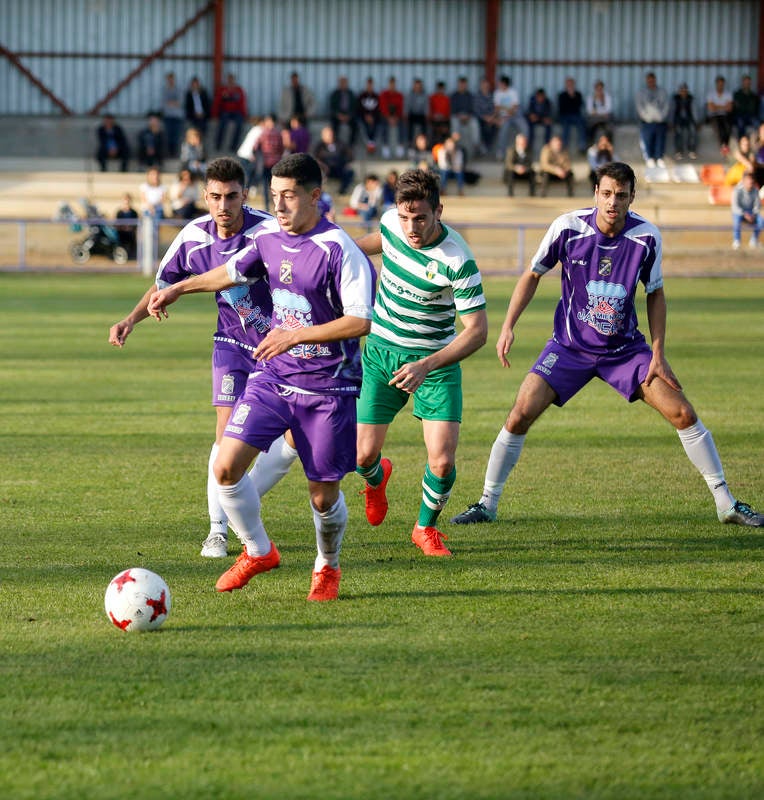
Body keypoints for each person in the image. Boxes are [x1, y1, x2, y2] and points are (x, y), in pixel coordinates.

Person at [450, 161, 764, 530]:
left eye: (621, 195)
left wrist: (658, 353)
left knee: (683, 413)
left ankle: (726, 504)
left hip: (625, 352)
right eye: (607, 193)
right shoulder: (568, 228)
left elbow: (656, 293)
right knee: (520, 413)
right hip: (569, 348)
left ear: (632, 197)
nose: (613, 202)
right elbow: (533, 274)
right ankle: (487, 503)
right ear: (596, 193)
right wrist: (508, 326)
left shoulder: (646, 237)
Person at [146, 153, 377, 601]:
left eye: (289, 196)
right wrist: (176, 288)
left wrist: (296, 335)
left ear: (315, 196)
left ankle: (327, 565)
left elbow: (360, 321)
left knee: (322, 498)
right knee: (226, 466)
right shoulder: (268, 236)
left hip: (328, 386)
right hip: (274, 376)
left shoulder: (339, 249)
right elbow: (228, 272)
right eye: (274, 197)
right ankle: (257, 550)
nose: (280, 207)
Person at [108, 157, 299, 558]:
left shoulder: (270, 230)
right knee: (226, 429)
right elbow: (164, 284)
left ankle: (233, 502)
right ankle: (217, 530)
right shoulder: (193, 236)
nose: (223, 206)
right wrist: (130, 319)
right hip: (231, 345)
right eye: (215, 197)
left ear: (245, 195)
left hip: (280, 347)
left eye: (232, 197)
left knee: (293, 440)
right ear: (205, 197)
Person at [354, 168, 487, 557]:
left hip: (435, 365)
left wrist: (427, 365)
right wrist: (336, 251)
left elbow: (477, 331)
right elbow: (377, 241)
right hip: (381, 354)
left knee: (442, 462)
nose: (411, 227)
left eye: (421, 218)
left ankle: (424, 528)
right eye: (405, 217)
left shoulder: (457, 258)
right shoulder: (391, 225)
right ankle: (376, 481)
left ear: (439, 211)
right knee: (362, 457)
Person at [635, 72, 670, 168]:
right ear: (646, 81)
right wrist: (646, 117)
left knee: (660, 139)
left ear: (655, 80)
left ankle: (659, 158)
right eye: (649, 81)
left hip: (660, 121)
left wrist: (662, 117)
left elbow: (666, 105)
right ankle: (649, 158)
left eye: (652, 80)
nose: (651, 82)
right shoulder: (641, 92)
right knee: (646, 139)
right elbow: (639, 107)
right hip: (647, 121)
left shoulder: (662, 92)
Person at [254, 114, 288, 211]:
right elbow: (282, 149)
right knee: (275, 187)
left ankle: (266, 207)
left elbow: (255, 147)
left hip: (265, 163)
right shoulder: (278, 134)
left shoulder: (263, 133)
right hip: (276, 164)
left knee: (265, 186)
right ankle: (277, 206)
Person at [313, 125, 355, 195]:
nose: (330, 136)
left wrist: (346, 163)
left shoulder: (340, 143)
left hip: (339, 168)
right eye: (327, 135)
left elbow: (350, 155)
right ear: (323, 136)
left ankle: (342, 191)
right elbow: (314, 158)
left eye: (331, 134)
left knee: (350, 172)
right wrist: (323, 165)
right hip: (326, 169)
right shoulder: (319, 146)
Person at [494, 75, 528, 159]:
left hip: (515, 116)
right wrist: (503, 115)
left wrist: (506, 110)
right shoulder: (497, 93)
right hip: (504, 117)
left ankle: (525, 150)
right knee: (502, 131)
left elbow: (515, 107)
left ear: (504, 84)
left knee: (525, 128)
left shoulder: (513, 92)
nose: (499, 85)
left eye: (500, 83)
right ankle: (501, 152)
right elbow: (497, 107)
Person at [212, 73, 247, 152]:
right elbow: (217, 103)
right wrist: (214, 115)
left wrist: (244, 115)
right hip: (225, 112)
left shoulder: (239, 90)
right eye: (229, 80)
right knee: (222, 123)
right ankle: (218, 145)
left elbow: (242, 103)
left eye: (232, 80)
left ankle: (233, 147)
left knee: (239, 124)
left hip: (236, 112)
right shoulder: (222, 90)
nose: (231, 82)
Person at [449, 76, 480, 160]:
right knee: (454, 121)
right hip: (457, 117)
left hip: (468, 117)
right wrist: (460, 116)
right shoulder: (454, 96)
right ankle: (455, 145)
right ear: (458, 85)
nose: (462, 86)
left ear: (466, 85)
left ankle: (476, 146)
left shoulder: (470, 96)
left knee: (474, 122)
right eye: (461, 84)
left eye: (464, 84)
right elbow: (452, 110)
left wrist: (467, 116)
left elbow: (473, 109)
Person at [731, 170, 762, 250]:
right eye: (748, 180)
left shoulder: (755, 191)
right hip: (740, 212)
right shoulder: (737, 190)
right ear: (744, 181)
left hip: (751, 212)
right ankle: (737, 241)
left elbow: (757, 206)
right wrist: (744, 214)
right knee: (736, 220)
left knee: (761, 221)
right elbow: (735, 206)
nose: (750, 182)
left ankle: (754, 240)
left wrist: (754, 215)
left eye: (751, 180)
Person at [558, 76, 587, 154]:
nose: (570, 85)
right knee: (566, 126)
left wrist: (572, 97)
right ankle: (564, 146)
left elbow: (578, 106)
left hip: (576, 115)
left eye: (571, 84)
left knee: (582, 124)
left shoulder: (578, 94)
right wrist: (570, 98)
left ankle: (582, 146)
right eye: (568, 84)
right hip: (565, 116)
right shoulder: (562, 95)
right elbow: (562, 108)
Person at [379, 75, 406, 158]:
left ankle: (400, 146)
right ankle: (385, 147)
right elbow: (383, 107)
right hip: (386, 117)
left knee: (403, 124)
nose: (392, 86)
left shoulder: (399, 95)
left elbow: (400, 108)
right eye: (391, 84)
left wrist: (396, 118)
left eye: (393, 84)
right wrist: (389, 117)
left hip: (396, 117)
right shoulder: (384, 94)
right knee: (383, 125)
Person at [706, 75, 734, 156]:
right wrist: (724, 106)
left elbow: (729, 108)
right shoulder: (711, 93)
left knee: (728, 126)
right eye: (719, 84)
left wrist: (716, 106)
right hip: (713, 115)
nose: (720, 86)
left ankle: (726, 145)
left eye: (722, 84)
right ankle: (722, 145)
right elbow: (711, 108)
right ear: (716, 84)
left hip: (724, 115)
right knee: (718, 127)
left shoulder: (728, 93)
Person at [670, 82, 698, 161]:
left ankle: (692, 150)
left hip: (689, 118)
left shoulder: (691, 98)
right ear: (679, 91)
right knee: (678, 130)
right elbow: (672, 111)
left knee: (692, 129)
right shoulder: (675, 98)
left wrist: (696, 122)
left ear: (687, 90)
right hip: (678, 119)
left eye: (685, 90)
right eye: (681, 90)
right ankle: (679, 151)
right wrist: (671, 122)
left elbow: (694, 111)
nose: (683, 92)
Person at [503, 132, 536, 196]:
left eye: (524, 142)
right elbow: (508, 163)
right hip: (514, 172)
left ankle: (532, 193)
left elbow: (530, 163)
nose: (523, 144)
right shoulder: (511, 150)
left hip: (525, 172)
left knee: (532, 172)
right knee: (510, 172)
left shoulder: (529, 150)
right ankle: (510, 194)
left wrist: (524, 169)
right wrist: (516, 168)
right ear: (517, 143)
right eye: (521, 143)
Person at [329, 75, 358, 146]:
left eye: (344, 82)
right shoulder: (335, 93)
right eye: (341, 82)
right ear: (339, 83)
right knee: (334, 126)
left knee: (355, 126)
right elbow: (332, 106)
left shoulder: (351, 93)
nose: (343, 84)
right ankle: (335, 144)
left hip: (348, 115)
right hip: (338, 115)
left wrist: (349, 116)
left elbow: (355, 106)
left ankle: (351, 145)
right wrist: (338, 115)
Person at [236, 116, 264, 189]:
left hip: (243, 153)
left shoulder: (254, 129)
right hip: (248, 155)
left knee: (246, 175)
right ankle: (244, 191)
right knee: (247, 175)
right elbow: (254, 144)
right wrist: (252, 154)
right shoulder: (259, 130)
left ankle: (244, 191)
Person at [161, 71, 184, 158]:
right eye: (169, 79)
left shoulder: (178, 89)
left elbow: (180, 102)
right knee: (168, 136)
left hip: (177, 117)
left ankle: (175, 154)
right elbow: (164, 103)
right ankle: (170, 154)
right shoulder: (165, 89)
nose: (170, 81)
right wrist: (174, 103)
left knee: (176, 136)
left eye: (172, 79)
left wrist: (171, 103)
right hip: (168, 116)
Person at [474, 77, 498, 155]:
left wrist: (492, 117)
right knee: (482, 127)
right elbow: (476, 110)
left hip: (491, 118)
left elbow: (495, 108)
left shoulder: (492, 96)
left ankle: (489, 147)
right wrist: (485, 118)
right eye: (483, 85)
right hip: (481, 118)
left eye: (486, 86)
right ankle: (483, 147)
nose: (485, 87)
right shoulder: (477, 96)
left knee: (494, 127)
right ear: (481, 86)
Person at [358, 76, 382, 153]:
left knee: (378, 125)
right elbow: (359, 109)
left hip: (374, 118)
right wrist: (366, 116)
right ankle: (368, 143)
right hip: (363, 117)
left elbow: (379, 109)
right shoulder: (361, 96)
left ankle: (373, 144)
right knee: (361, 125)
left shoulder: (376, 96)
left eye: (371, 85)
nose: (369, 87)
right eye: (368, 85)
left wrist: (372, 117)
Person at [525, 87, 553, 154]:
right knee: (529, 125)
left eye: (541, 97)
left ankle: (547, 145)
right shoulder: (532, 100)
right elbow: (529, 112)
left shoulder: (547, 102)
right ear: (536, 96)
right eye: (538, 97)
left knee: (549, 125)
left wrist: (547, 118)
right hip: (534, 119)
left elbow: (549, 115)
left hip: (542, 119)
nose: (540, 99)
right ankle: (529, 145)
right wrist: (532, 116)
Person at [732, 74, 760, 140]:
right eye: (745, 82)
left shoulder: (754, 96)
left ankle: (758, 145)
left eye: (748, 82)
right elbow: (737, 108)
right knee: (740, 123)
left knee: (758, 123)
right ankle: (742, 143)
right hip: (740, 116)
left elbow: (754, 109)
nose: (747, 84)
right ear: (742, 83)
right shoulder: (737, 94)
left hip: (751, 116)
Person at [184, 76, 212, 140]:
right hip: (193, 116)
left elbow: (207, 105)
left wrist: (203, 113)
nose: (195, 86)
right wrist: (194, 113)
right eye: (194, 84)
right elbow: (187, 107)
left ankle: (200, 141)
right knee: (194, 127)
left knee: (203, 125)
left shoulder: (204, 93)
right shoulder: (189, 94)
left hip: (203, 115)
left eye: (196, 84)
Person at [114, 192, 138, 257]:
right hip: (121, 233)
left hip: (130, 233)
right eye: (125, 200)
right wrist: (123, 228)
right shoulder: (119, 212)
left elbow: (136, 224)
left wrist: (130, 228)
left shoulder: (134, 212)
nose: (126, 202)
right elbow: (117, 224)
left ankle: (132, 254)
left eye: (128, 200)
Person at [428, 80, 451, 145]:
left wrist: (443, 117)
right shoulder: (432, 98)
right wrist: (434, 116)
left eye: (442, 89)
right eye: (439, 89)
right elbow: (430, 110)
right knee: (433, 130)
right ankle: (433, 146)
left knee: (445, 129)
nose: (440, 90)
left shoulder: (446, 99)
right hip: (434, 120)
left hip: (444, 120)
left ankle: (445, 145)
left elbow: (448, 111)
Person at [406, 77, 429, 145]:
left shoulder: (424, 95)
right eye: (416, 86)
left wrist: (427, 114)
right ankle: (410, 144)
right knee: (409, 127)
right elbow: (407, 105)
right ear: (414, 86)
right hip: (412, 115)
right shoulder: (410, 94)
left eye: (419, 86)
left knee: (424, 127)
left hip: (421, 115)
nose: (418, 87)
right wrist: (406, 114)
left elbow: (426, 106)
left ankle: (423, 145)